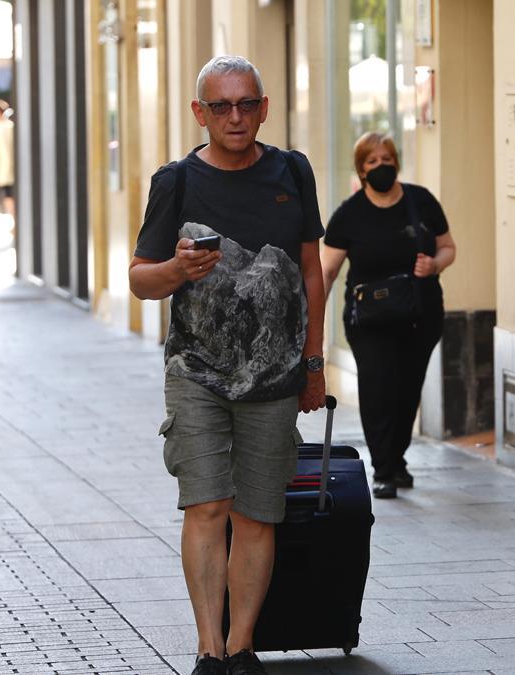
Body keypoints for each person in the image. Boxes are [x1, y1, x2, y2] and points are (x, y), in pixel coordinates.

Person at [128, 55, 325, 675]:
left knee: (258, 513)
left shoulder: (293, 171)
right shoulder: (177, 181)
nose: (235, 117)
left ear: (264, 108)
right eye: (221, 106)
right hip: (197, 373)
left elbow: (311, 273)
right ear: (200, 113)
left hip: (274, 378)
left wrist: (314, 364)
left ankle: (243, 647)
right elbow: (139, 280)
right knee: (207, 506)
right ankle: (210, 650)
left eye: (247, 104)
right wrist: (177, 271)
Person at [320, 132, 456, 499]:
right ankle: (382, 468)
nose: (381, 165)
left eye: (386, 158)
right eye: (371, 161)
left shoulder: (421, 201)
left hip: (420, 315)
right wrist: (311, 320)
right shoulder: (349, 215)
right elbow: (327, 271)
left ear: (397, 161)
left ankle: (397, 458)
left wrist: (435, 265)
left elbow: (447, 247)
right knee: (379, 388)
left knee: (408, 389)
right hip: (370, 322)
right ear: (361, 170)